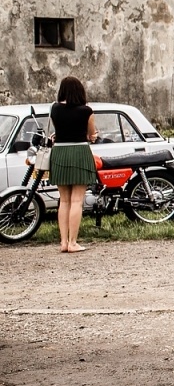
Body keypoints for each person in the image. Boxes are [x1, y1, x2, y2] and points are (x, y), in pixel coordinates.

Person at [47, 75, 96, 253]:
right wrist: (93, 136)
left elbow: (58, 130)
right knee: (77, 200)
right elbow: (91, 135)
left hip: (59, 153)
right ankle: (73, 242)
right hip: (79, 152)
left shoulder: (55, 109)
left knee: (64, 201)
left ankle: (63, 242)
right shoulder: (86, 111)